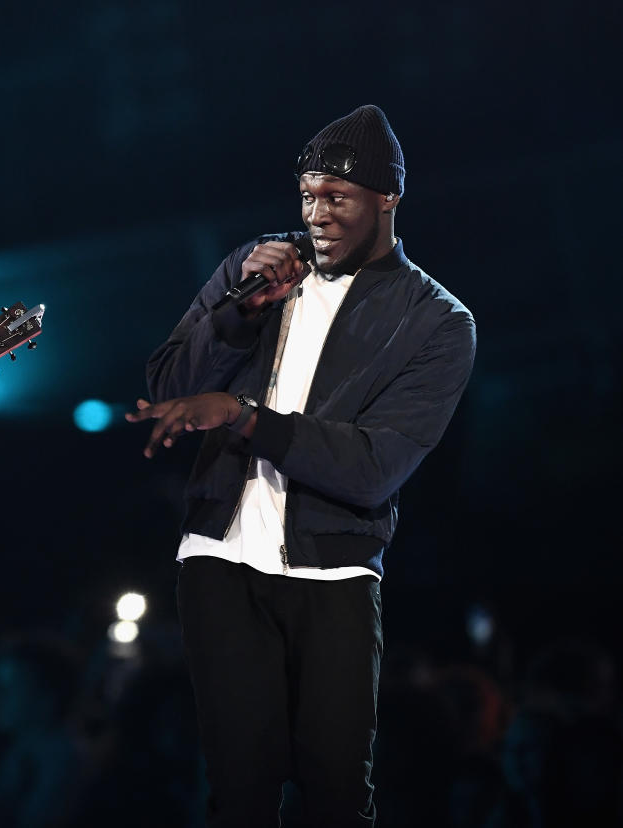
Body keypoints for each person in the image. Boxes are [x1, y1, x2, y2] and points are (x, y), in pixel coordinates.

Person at [126, 105, 476, 826]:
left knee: (338, 795)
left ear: (388, 199)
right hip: (220, 556)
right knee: (240, 791)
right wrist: (237, 314)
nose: (317, 213)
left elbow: (374, 467)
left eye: (337, 197)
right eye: (308, 194)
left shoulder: (437, 321)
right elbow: (166, 384)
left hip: (335, 572)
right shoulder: (255, 267)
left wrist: (245, 416)